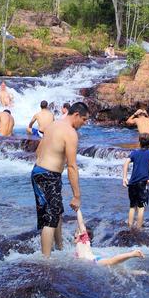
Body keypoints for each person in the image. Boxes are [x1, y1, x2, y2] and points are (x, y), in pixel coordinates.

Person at [31, 102, 90, 258]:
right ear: (76, 115)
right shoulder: (70, 133)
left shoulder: (53, 125)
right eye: (84, 119)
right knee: (50, 218)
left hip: (37, 172)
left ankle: (60, 248)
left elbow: (38, 150)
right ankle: (46, 261)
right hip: (49, 174)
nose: (84, 124)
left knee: (56, 211)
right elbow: (71, 166)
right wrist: (77, 196)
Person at [74, 209, 145, 265]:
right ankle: (140, 273)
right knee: (117, 269)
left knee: (111, 262)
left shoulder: (83, 240)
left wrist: (78, 210)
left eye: (77, 232)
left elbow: (81, 223)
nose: (75, 234)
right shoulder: (78, 245)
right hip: (93, 261)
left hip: (94, 261)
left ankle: (132, 254)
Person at [121, 133, 149, 229]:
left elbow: (126, 163)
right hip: (142, 184)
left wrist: (124, 178)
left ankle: (130, 226)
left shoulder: (134, 153)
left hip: (132, 183)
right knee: (141, 207)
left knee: (132, 206)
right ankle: (139, 228)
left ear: (139, 142)